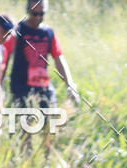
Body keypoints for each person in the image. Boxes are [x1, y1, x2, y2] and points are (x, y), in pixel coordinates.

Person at [4, 0, 78, 156]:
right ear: (27, 11)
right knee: (25, 128)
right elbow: (4, 57)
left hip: (43, 87)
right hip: (21, 86)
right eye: (34, 13)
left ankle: (46, 162)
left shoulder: (48, 33)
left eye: (42, 14)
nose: (38, 17)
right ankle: (25, 160)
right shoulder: (17, 31)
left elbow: (59, 59)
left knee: (50, 127)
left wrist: (70, 84)